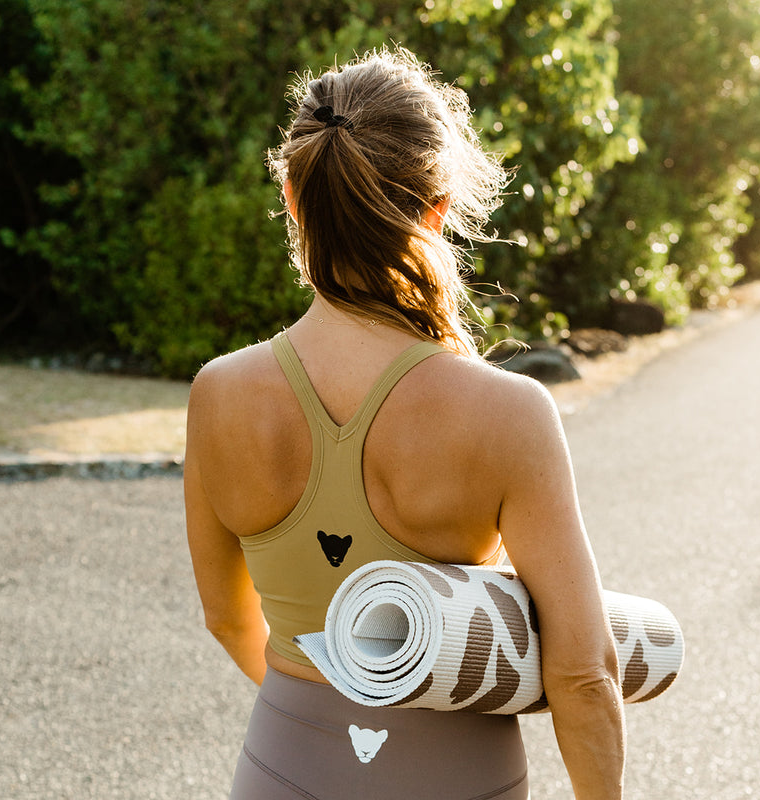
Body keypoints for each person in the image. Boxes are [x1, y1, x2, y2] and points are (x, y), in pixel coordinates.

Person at [183, 48, 625, 799]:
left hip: (284, 766)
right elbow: (582, 674)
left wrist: (330, 715)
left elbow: (228, 620)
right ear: (437, 207)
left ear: (293, 196)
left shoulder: (218, 394)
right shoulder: (509, 414)